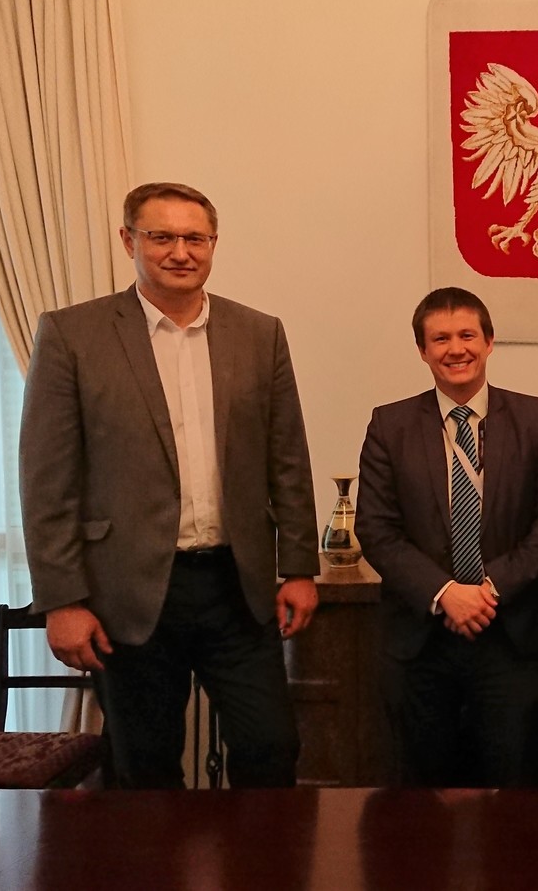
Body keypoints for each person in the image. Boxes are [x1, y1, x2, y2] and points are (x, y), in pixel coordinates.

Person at [20, 181, 319, 788]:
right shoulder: (73, 335)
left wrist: (299, 568)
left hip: (236, 587)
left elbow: (287, 460)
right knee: (144, 766)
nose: (180, 252)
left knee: (271, 746)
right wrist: (63, 600)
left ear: (213, 244)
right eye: (162, 237)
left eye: (195, 238)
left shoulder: (259, 334)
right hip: (127, 592)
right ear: (129, 240)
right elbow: (47, 481)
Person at [355, 287, 538, 788]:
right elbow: (376, 528)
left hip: (511, 636)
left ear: (489, 341)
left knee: (513, 788)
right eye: (440, 339)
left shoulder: (537, 418)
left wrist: (488, 590)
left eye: (467, 335)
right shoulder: (389, 425)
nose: (456, 349)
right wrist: (445, 594)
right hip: (421, 641)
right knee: (424, 793)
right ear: (422, 350)